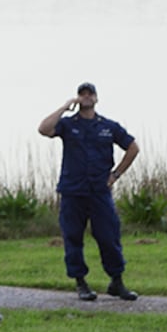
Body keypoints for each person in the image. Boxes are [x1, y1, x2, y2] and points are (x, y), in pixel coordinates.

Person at [39, 81, 141, 302]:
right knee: (73, 237)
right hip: (72, 191)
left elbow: (133, 147)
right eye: (82, 94)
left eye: (90, 94)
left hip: (98, 192)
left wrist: (115, 175)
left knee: (109, 236)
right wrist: (65, 106)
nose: (86, 97)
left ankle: (117, 281)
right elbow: (44, 129)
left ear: (96, 98)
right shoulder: (67, 124)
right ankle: (81, 283)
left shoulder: (108, 126)